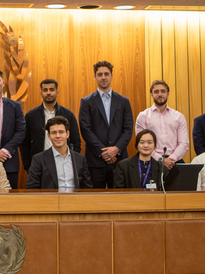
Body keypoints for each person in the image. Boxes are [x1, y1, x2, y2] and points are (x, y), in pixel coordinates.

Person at [78, 61, 133, 189]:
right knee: (95, 200)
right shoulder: (86, 102)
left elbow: (128, 128)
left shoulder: (124, 101)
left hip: (119, 160)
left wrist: (116, 149)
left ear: (112, 76)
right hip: (96, 160)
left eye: (106, 74)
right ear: (95, 77)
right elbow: (85, 129)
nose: (103, 77)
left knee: (120, 200)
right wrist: (103, 152)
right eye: (100, 74)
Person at [20, 78, 81, 173]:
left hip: (64, 163)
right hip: (39, 165)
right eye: (45, 90)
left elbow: (76, 141)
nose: (48, 93)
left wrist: (73, 162)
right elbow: (24, 143)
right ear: (41, 93)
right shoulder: (31, 116)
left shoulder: (68, 114)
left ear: (57, 92)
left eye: (52, 89)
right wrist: (28, 166)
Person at [135, 80, 189, 169]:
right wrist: (161, 159)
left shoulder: (179, 116)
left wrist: (171, 159)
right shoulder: (143, 116)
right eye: (156, 92)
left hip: (175, 162)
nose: (160, 94)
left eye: (163, 91)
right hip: (151, 161)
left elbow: (184, 143)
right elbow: (141, 143)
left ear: (168, 94)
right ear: (152, 95)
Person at [26, 116, 91, 190]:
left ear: (67, 134)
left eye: (61, 132)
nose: (58, 136)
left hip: (75, 200)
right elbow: (31, 188)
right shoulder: (39, 159)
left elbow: (87, 187)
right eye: (54, 133)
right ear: (49, 136)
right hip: (50, 200)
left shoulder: (80, 159)